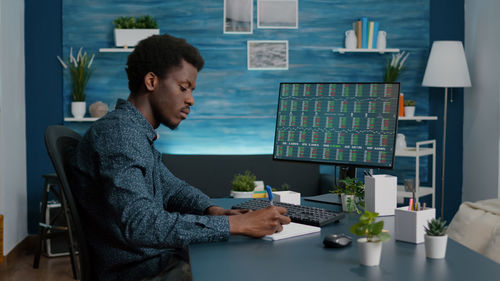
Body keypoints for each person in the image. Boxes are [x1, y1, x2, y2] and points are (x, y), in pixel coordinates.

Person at [70, 34, 291, 281]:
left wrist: (211, 209)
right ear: (151, 81)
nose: (191, 100)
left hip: (157, 260)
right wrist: (236, 225)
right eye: (183, 87)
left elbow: (171, 188)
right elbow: (140, 224)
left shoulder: (133, 132)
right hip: (141, 272)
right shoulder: (119, 134)